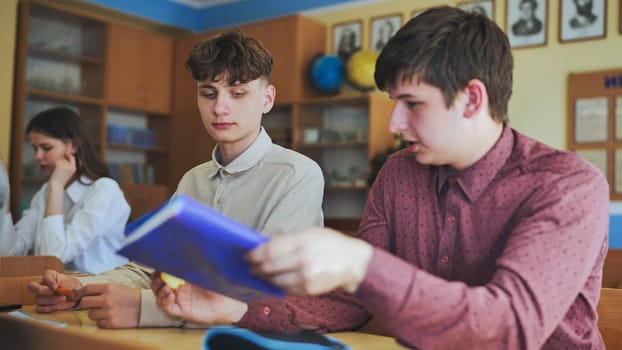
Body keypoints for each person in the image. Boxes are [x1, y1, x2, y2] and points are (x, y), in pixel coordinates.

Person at [152, 6, 609, 349]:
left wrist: (361, 266)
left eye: (411, 104)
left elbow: (509, 327)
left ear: (471, 99)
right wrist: (235, 310)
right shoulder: (399, 174)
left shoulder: (566, 186)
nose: (394, 124)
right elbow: (348, 302)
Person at [28, 29, 325, 329]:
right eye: (208, 93)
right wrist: (79, 288)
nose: (220, 107)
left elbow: (266, 292)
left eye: (237, 93)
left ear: (267, 99)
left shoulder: (298, 175)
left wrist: (145, 309)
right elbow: (150, 270)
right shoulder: (193, 180)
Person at [0, 107, 129, 274]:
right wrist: (4, 191)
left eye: (46, 148)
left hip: (98, 292)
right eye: (34, 148)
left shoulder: (105, 191)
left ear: (73, 146)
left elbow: (53, 259)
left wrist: (56, 187)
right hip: (59, 291)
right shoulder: (46, 191)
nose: (38, 156)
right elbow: (9, 253)